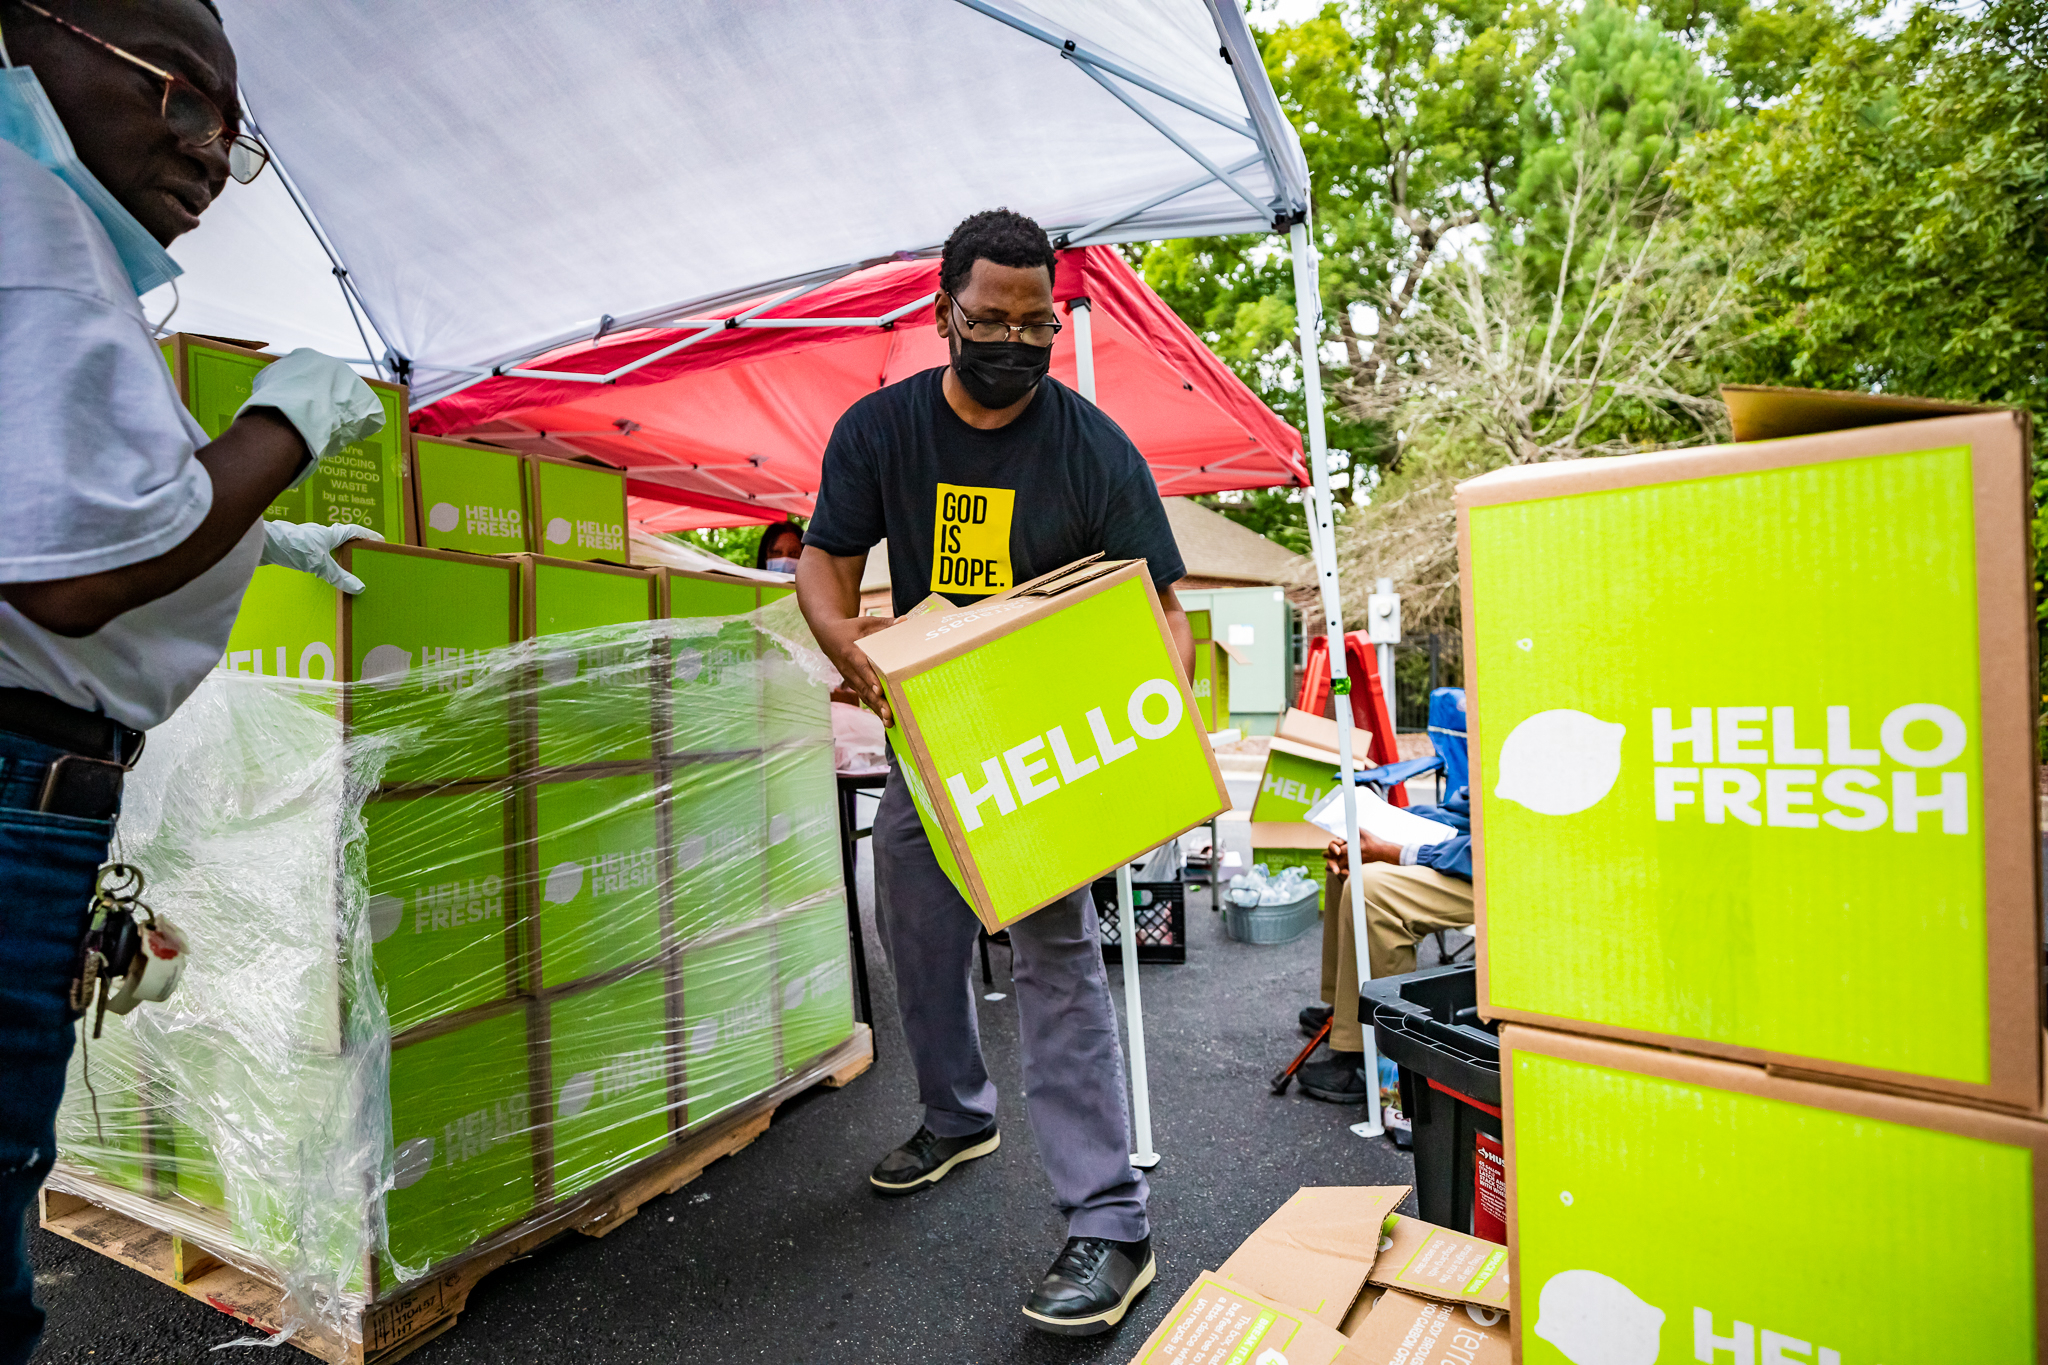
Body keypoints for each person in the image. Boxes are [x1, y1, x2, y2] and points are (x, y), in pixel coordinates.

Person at [0, 3, 383, 1358]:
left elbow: (57, 514)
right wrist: (284, 426)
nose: (213, 149)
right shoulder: (26, 217)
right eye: (183, 94)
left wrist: (262, 538)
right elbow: (71, 576)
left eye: (233, 129)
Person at [795, 208, 1191, 1337]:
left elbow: (1163, 611)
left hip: (1043, 744)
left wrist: (1141, 740)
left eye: (1037, 322)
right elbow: (820, 571)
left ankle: (1111, 1225)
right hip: (932, 736)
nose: (1014, 339)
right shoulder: (879, 433)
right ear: (944, 314)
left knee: (1054, 955)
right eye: (991, 318)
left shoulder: (1091, 447)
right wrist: (852, 653)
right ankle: (959, 1113)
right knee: (909, 919)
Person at [1296, 788, 1475, 1104]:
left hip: (1513, 873)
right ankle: (1345, 1013)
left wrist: (1399, 852)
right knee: (1347, 862)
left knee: (1370, 889)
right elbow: (1467, 810)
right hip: (1472, 850)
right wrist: (1379, 832)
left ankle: (1372, 1055)